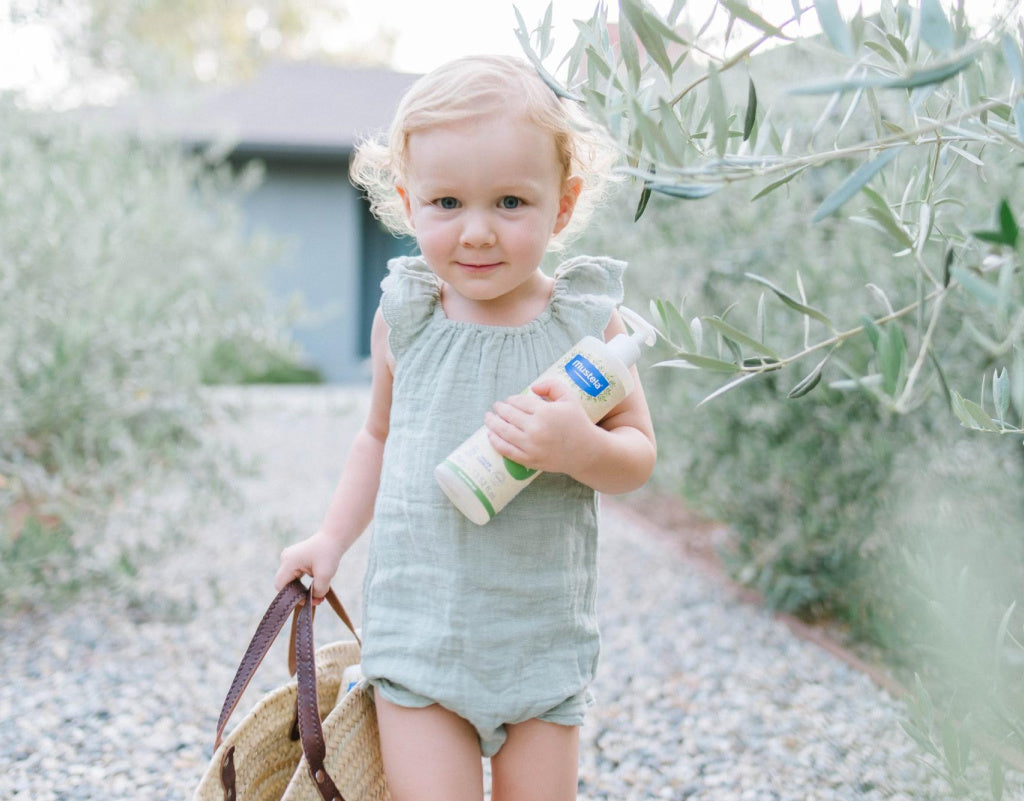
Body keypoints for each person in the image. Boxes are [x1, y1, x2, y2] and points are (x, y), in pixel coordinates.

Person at [274, 54, 656, 801]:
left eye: (510, 202)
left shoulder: (587, 328)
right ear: (409, 202)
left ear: (565, 204)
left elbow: (638, 453)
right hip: (422, 639)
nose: (477, 232)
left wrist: (580, 448)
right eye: (447, 203)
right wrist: (329, 539)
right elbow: (377, 439)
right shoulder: (407, 319)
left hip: (539, 642)